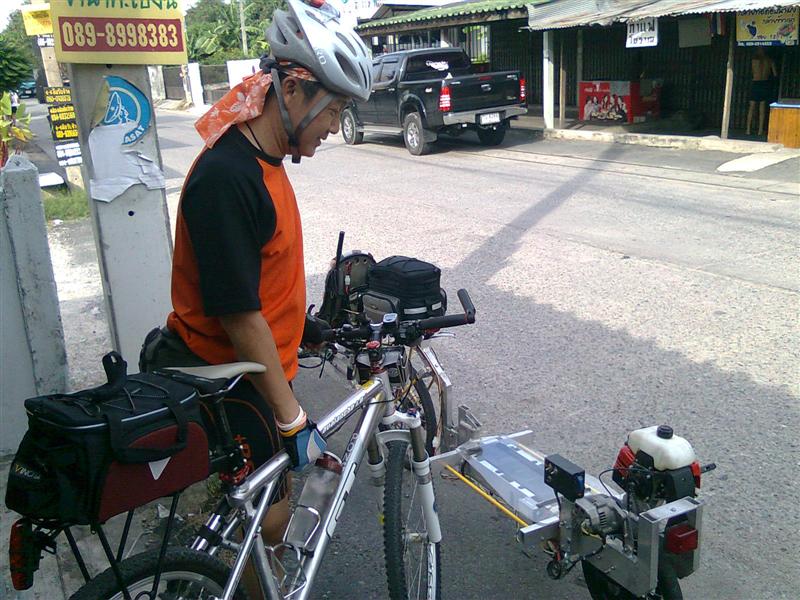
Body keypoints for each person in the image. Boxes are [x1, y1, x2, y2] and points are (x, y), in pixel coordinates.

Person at [139, 0, 371, 596]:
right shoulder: (228, 175)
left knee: (256, 507)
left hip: (252, 368)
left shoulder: (264, 161)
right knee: (269, 515)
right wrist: (291, 417)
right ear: (292, 89)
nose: (333, 128)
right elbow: (239, 314)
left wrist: (307, 329)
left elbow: (260, 278)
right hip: (228, 376)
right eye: (333, 110)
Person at [746, 47, 777, 136]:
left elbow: (751, 72)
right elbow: (775, 74)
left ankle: (748, 129)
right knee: (762, 108)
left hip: (755, 82)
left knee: (751, 107)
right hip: (764, 83)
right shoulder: (770, 61)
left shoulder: (754, 60)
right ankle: (760, 130)